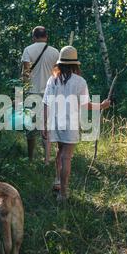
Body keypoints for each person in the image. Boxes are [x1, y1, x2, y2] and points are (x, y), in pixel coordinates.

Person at [42, 46, 110, 202]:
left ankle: (58, 181)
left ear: (60, 63)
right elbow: (86, 105)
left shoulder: (52, 80)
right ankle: (63, 194)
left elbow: (46, 103)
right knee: (66, 157)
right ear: (75, 63)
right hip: (71, 124)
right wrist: (102, 105)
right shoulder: (80, 81)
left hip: (55, 122)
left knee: (60, 153)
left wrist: (44, 125)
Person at [21, 26, 60, 164]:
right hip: (50, 93)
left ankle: (30, 158)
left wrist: (23, 89)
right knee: (47, 126)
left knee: (31, 127)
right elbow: (57, 75)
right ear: (46, 36)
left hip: (32, 93)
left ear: (34, 37)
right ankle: (47, 160)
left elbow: (26, 73)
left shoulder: (28, 50)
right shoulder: (55, 52)